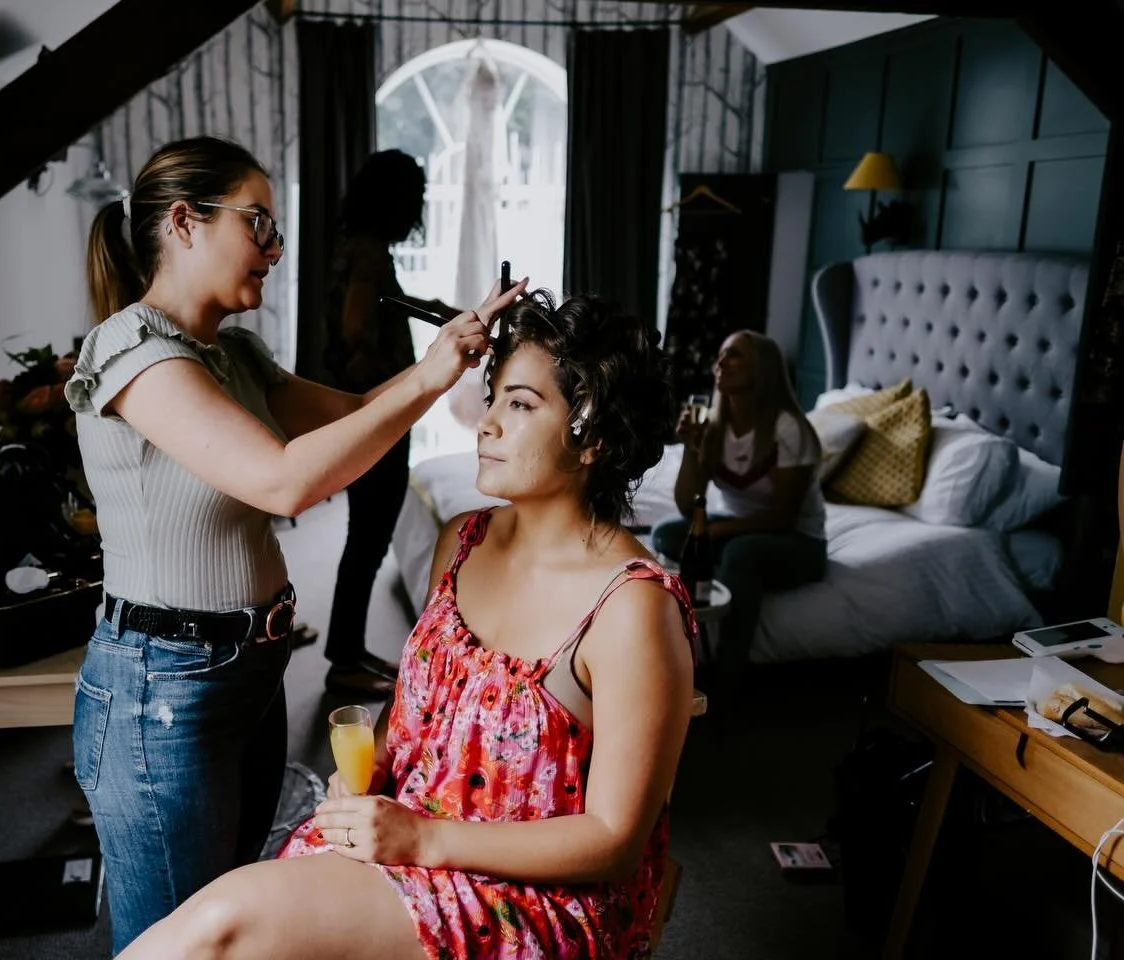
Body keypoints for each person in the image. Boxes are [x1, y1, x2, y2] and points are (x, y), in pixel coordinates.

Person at [115, 291, 697, 960]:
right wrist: (378, 761)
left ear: (592, 437)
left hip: (532, 898)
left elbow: (615, 840)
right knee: (228, 923)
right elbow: (427, 705)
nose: (487, 425)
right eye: (495, 397)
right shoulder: (463, 541)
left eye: (522, 405)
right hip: (405, 838)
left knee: (226, 924)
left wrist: (424, 840)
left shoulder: (633, 610)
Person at [65, 135, 527, 953]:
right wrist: (425, 378)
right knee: (175, 941)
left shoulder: (232, 353)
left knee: (235, 927)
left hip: (248, 673)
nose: (275, 247)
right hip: (161, 694)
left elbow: (353, 416)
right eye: (259, 223)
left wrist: (444, 360)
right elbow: (283, 481)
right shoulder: (132, 352)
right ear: (184, 222)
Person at [320, 149, 462, 698]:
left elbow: (377, 303)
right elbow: (359, 323)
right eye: (416, 197)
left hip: (359, 412)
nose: (419, 207)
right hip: (375, 415)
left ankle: (347, 652)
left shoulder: (353, 245)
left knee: (365, 536)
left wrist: (430, 307)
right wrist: (395, 386)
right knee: (368, 539)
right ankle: (344, 661)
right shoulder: (372, 252)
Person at [652, 329, 827, 697]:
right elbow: (689, 505)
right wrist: (689, 448)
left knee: (739, 554)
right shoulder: (715, 425)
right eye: (720, 355)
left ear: (761, 370)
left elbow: (783, 518)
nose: (720, 363)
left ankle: (727, 678)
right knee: (666, 534)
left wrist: (713, 534)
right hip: (738, 530)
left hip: (799, 543)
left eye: (734, 355)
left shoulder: (788, 428)